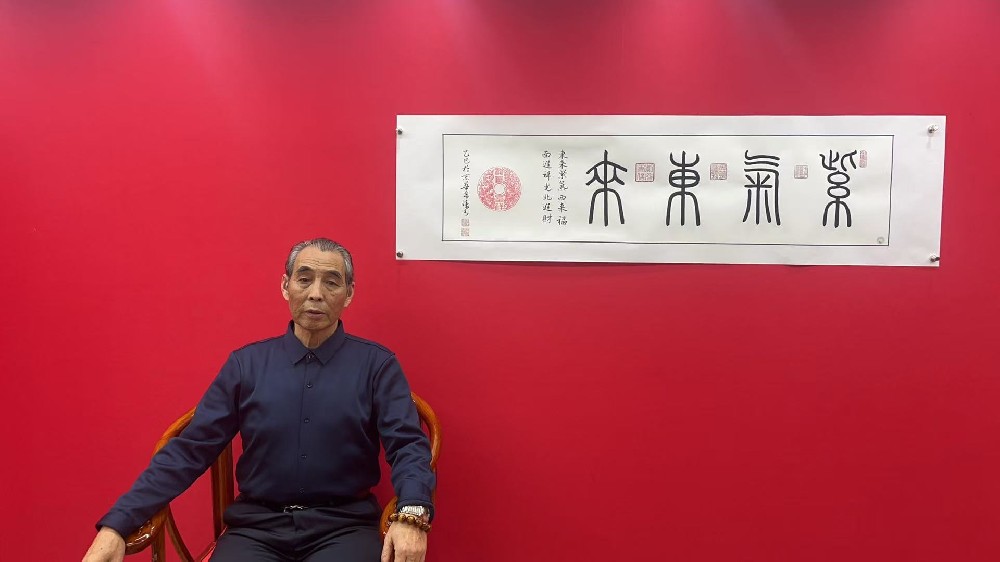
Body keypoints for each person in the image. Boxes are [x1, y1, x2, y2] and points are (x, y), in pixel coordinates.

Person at [83, 238, 434, 562]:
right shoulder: (246, 365)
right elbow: (190, 450)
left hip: (343, 527)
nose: (316, 294)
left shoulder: (377, 366)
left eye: (331, 282)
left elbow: (407, 445)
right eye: (304, 279)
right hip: (257, 529)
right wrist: (118, 524)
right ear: (285, 286)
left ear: (349, 293)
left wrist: (412, 513)